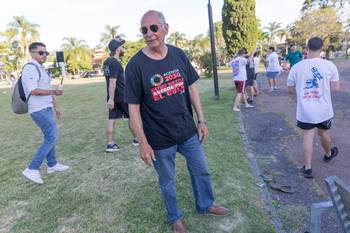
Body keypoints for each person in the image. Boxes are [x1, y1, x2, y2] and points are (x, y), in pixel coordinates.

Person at [125, 10, 229, 233]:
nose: (149, 34)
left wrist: (201, 120)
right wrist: (142, 142)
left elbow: (191, 87)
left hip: (187, 130)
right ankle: (176, 219)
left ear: (165, 28)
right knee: (167, 181)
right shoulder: (135, 65)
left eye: (153, 28)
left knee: (201, 170)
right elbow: (133, 108)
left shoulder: (178, 54)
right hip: (159, 138)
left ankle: (206, 204)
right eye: (144, 30)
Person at [287, 37, 340, 178]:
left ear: (306, 48)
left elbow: (290, 90)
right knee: (323, 133)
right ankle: (328, 154)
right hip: (324, 110)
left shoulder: (297, 67)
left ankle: (308, 168)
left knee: (308, 135)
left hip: (305, 110)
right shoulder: (330, 65)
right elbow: (335, 88)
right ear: (322, 49)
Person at [21, 42, 69, 184]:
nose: (44, 55)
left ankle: (52, 164)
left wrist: (56, 106)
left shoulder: (40, 68)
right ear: (32, 53)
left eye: (46, 53)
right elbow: (33, 90)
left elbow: (45, 88)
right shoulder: (30, 68)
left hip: (45, 107)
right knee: (52, 137)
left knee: (50, 136)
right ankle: (32, 168)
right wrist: (54, 91)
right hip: (38, 109)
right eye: (41, 53)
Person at [103, 36, 138, 152]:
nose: (123, 48)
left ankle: (110, 144)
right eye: (122, 46)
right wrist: (112, 99)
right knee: (131, 116)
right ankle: (136, 139)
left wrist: (110, 98)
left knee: (111, 118)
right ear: (118, 49)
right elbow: (112, 81)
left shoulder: (107, 62)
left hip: (112, 96)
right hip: (121, 95)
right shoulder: (115, 63)